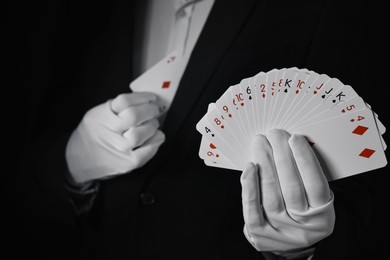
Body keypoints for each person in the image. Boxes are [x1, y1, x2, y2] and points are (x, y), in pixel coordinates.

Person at [4, 0, 387, 259]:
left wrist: (306, 247)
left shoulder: (332, 11)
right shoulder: (78, 13)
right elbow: (24, 161)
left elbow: (367, 183)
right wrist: (71, 163)